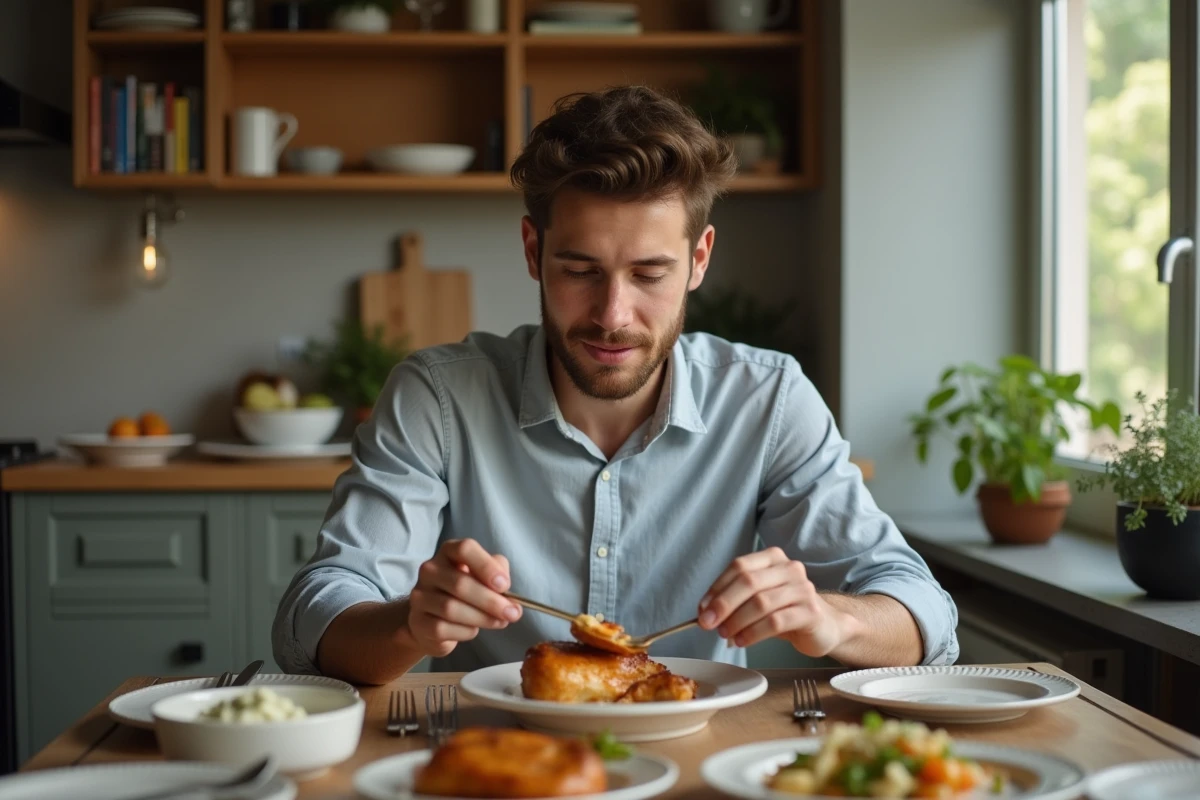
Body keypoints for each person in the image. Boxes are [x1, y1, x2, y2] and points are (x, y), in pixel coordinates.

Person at [272, 85, 959, 684]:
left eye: (649, 275)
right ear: (534, 252)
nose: (612, 315)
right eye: (580, 270)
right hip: (498, 766)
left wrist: (829, 619)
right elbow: (314, 620)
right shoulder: (437, 398)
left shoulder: (769, 400)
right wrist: (407, 627)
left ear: (699, 260)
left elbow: (921, 613)